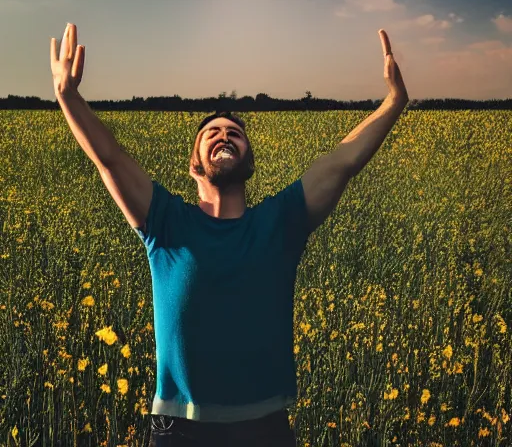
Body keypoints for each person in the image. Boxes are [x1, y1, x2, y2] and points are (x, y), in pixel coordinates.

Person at [50, 23, 408, 447]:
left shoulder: (279, 223)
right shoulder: (165, 222)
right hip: (178, 428)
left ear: (249, 160)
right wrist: (68, 98)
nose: (224, 136)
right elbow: (109, 158)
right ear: (194, 164)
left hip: (264, 426)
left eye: (234, 133)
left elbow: (339, 163)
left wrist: (395, 102)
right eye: (212, 133)